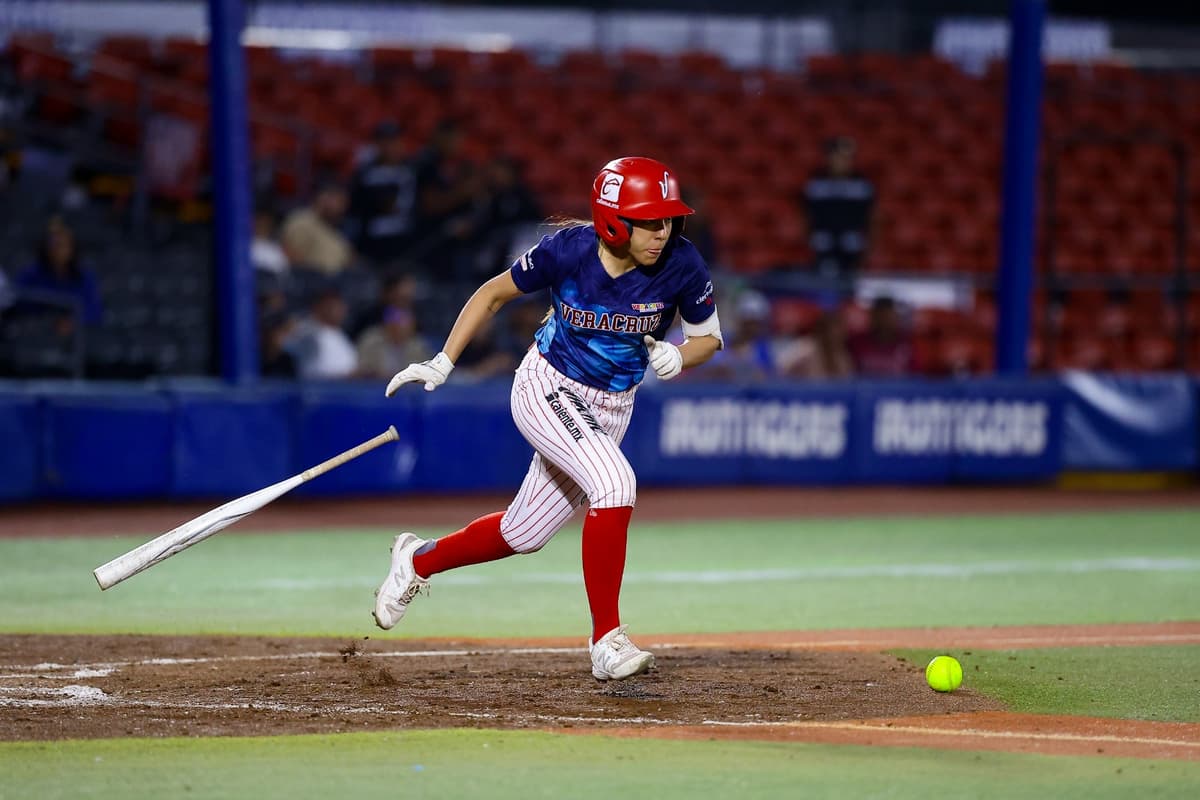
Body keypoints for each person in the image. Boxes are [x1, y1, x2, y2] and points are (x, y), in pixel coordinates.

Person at [373, 157, 724, 681]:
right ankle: (607, 642)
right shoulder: (570, 251)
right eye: (649, 220)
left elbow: (709, 338)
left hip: (612, 407)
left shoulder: (683, 263)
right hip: (548, 387)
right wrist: (442, 361)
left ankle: (416, 560)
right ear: (612, 219)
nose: (662, 232)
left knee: (523, 533)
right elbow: (492, 293)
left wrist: (681, 353)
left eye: (668, 219)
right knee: (615, 482)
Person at [802, 136, 875, 283]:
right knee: (823, 279)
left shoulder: (861, 182)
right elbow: (805, 214)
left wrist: (870, 244)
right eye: (838, 157)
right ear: (829, 158)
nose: (843, 162)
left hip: (853, 243)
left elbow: (873, 215)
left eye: (847, 158)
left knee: (850, 280)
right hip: (822, 242)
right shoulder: (816, 181)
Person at [347, 121, 418, 265]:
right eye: (385, 141)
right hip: (371, 243)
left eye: (394, 141)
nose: (390, 147)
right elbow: (356, 208)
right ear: (377, 144)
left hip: (403, 242)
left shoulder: (411, 169)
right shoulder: (365, 173)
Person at [280, 180, 355, 275]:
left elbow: (348, 259)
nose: (343, 208)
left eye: (344, 203)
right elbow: (291, 257)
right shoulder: (301, 221)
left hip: (337, 283)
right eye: (339, 201)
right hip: (308, 282)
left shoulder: (337, 227)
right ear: (323, 198)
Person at [355, 306, 431, 380]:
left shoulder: (419, 346)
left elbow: (426, 374)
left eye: (403, 322)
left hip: (407, 390)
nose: (397, 327)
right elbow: (360, 370)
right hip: (373, 388)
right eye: (394, 321)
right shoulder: (370, 341)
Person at [849, 295, 913, 377]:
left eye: (888, 316)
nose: (884, 321)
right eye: (881, 316)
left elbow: (915, 376)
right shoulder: (856, 342)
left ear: (895, 317)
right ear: (873, 316)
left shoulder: (907, 343)